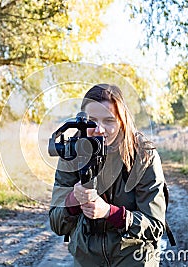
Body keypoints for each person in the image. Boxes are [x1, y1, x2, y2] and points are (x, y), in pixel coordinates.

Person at [49, 84, 167, 266]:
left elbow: (155, 226)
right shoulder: (72, 153)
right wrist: (73, 201)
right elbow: (57, 224)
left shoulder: (143, 155)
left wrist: (110, 213)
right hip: (87, 257)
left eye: (109, 121)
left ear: (122, 121)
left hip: (135, 257)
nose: (99, 129)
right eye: (92, 120)